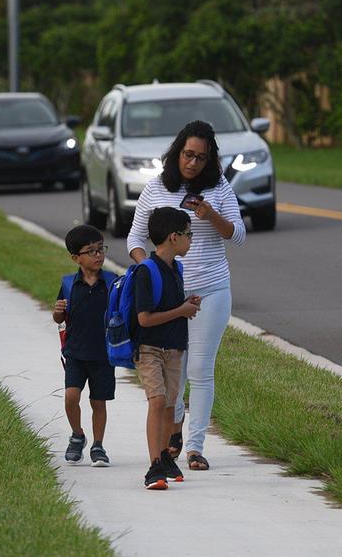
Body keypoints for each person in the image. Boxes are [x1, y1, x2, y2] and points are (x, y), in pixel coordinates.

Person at [128, 120, 245, 472]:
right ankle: (174, 428)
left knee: (200, 369)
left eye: (201, 158)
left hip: (211, 289)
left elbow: (237, 235)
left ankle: (195, 447)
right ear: (177, 152)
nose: (193, 163)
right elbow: (134, 240)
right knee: (172, 377)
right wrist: (149, 270)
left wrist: (211, 215)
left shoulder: (219, 188)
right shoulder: (155, 189)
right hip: (170, 298)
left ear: (210, 161)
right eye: (188, 155)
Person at [134, 206, 200, 490]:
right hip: (149, 347)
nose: (191, 239)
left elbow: (172, 307)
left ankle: (164, 456)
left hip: (174, 347)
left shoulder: (177, 268)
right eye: (189, 234)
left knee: (171, 404)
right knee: (158, 401)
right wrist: (181, 311)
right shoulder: (145, 272)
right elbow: (144, 318)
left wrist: (186, 305)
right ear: (174, 237)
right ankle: (153, 467)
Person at [52, 225, 116, 468]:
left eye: (101, 249)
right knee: (71, 397)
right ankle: (77, 434)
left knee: (98, 401)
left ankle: (98, 445)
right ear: (75, 258)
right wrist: (57, 313)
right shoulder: (69, 284)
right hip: (75, 353)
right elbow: (61, 318)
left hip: (103, 354)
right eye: (91, 251)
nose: (98, 255)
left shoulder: (111, 282)